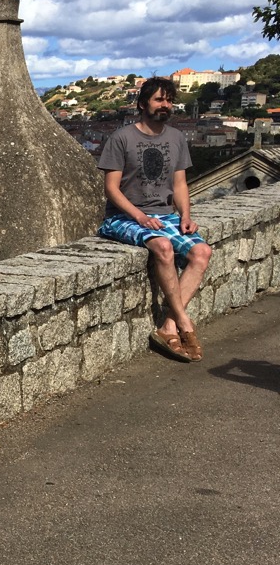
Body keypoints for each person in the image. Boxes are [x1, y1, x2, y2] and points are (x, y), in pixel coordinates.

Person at [97, 76, 212, 362]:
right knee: (163, 247)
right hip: (124, 216)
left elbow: (181, 184)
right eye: (159, 99)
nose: (165, 105)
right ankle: (185, 324)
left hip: (165, 214)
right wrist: (138, 216)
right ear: (142, 104)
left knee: (202, 252)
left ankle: (170, 325)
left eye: (169, 100)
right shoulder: (121, 138)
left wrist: (186, 215)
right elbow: (110, 188)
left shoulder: (175, 138)